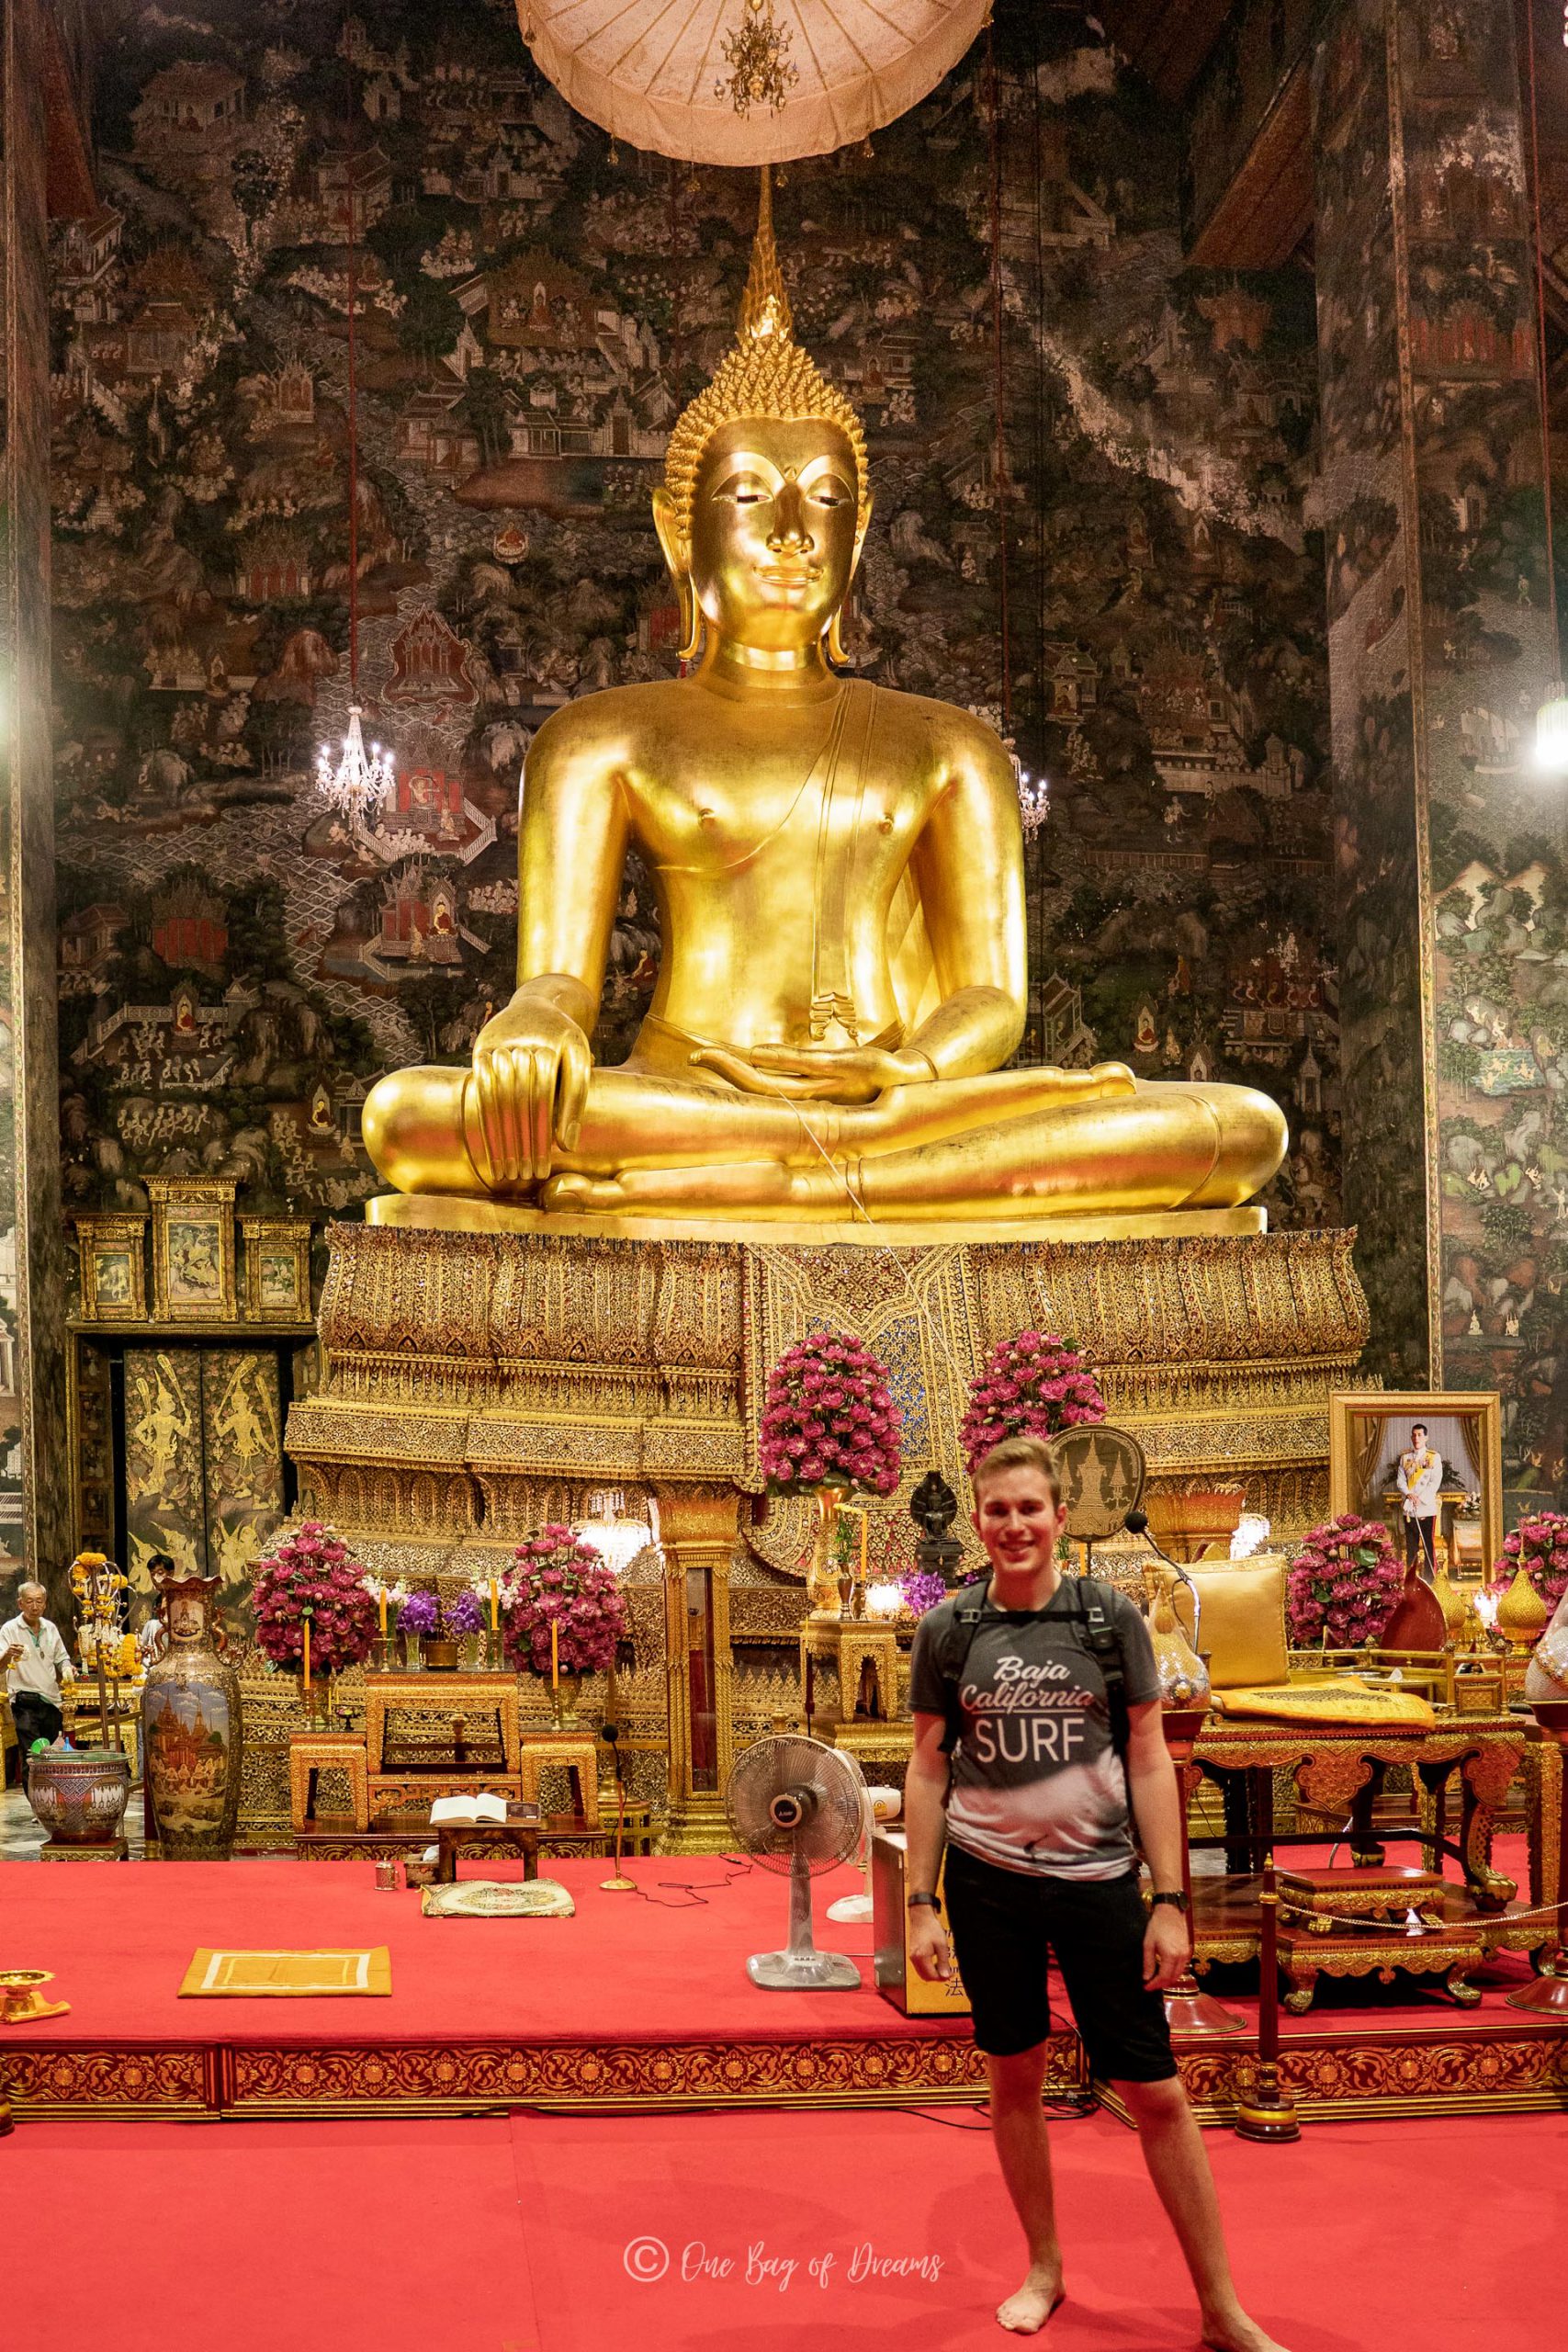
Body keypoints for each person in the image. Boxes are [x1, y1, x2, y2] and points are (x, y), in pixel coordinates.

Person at [905, 1435, 1289, 2349]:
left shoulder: (1107, 1620)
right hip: (989, 1887)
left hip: (1100, 1884)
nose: (1013, 1526)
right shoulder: (950, 1629)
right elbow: (927, 1768)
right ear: (979, 1516)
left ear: (1058, 1515)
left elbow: (1151, 1760)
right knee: (1015, 2079)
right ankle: (1044, 2264)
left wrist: (1168, 1898)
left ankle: (1220, 2306)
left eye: (1029, 1508)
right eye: (997, 1510)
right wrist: (922, 1900)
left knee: (1154, 2092)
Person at [2, 1580, 76, 1766]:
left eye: (39, 1601)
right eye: (29, 1601)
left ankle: (48, 1794)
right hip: (24, 1701)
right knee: (33, 1755)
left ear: (45, 1603)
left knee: (51, 1755)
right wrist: (8, 1654)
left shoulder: (50, 1628)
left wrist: (67, 1668)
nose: (35, 1607)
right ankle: (34, 1795)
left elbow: (61, 1658)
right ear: (20, 1603)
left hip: (51, 1700)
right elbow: (0, 1666)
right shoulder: (9, 1629)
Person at [1396, 1422, 1442, 1577]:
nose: (1416, 1438)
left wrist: (1420, 1499)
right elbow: (1400, 1481)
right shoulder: (1405, 1458)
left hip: (1426, 1508)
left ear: (1426, 1437)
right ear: (1411, 1437)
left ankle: (1430, 1581)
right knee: (1411, 1548)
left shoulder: (1434, 1457)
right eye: (1414, 1435)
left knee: (1429, 1546)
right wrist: (1409, 1494)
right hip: (1409, 1508)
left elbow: (1434, 1482)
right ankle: (1411, 1580)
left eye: (1420, 1435)